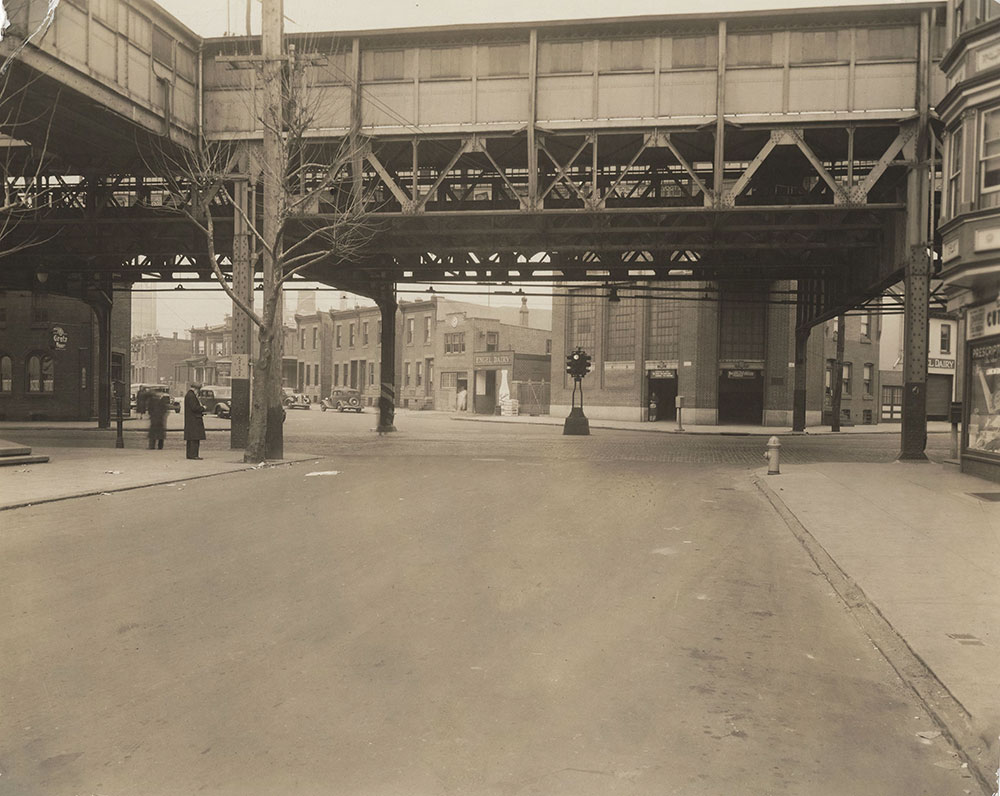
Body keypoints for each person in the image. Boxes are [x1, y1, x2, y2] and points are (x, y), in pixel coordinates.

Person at [184, 382, 206, 460]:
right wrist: (202, 408)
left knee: (190, 438)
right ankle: (194, 455)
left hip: (190, 420)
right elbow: (194, 408)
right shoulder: (192, 396)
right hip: (194, 420)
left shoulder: (188, 395)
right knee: (195, 438)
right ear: (196, 389)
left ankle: (190, 454)